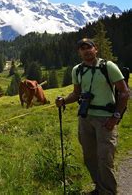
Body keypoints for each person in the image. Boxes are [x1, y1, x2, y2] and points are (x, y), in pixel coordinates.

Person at [55, 38, 129, 195]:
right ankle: (99, 187)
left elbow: (124, 92)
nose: (86, 50)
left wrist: (115, 117)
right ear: (79, 52)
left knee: (105, 158)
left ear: (96, 49)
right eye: (83, 48)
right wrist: (64, 101)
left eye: (89, 47)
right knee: (89, 156)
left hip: (106, 119)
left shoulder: (108, 66)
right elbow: (76, 93)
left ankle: (108, 191)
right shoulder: (77, 70)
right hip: (85, 118)